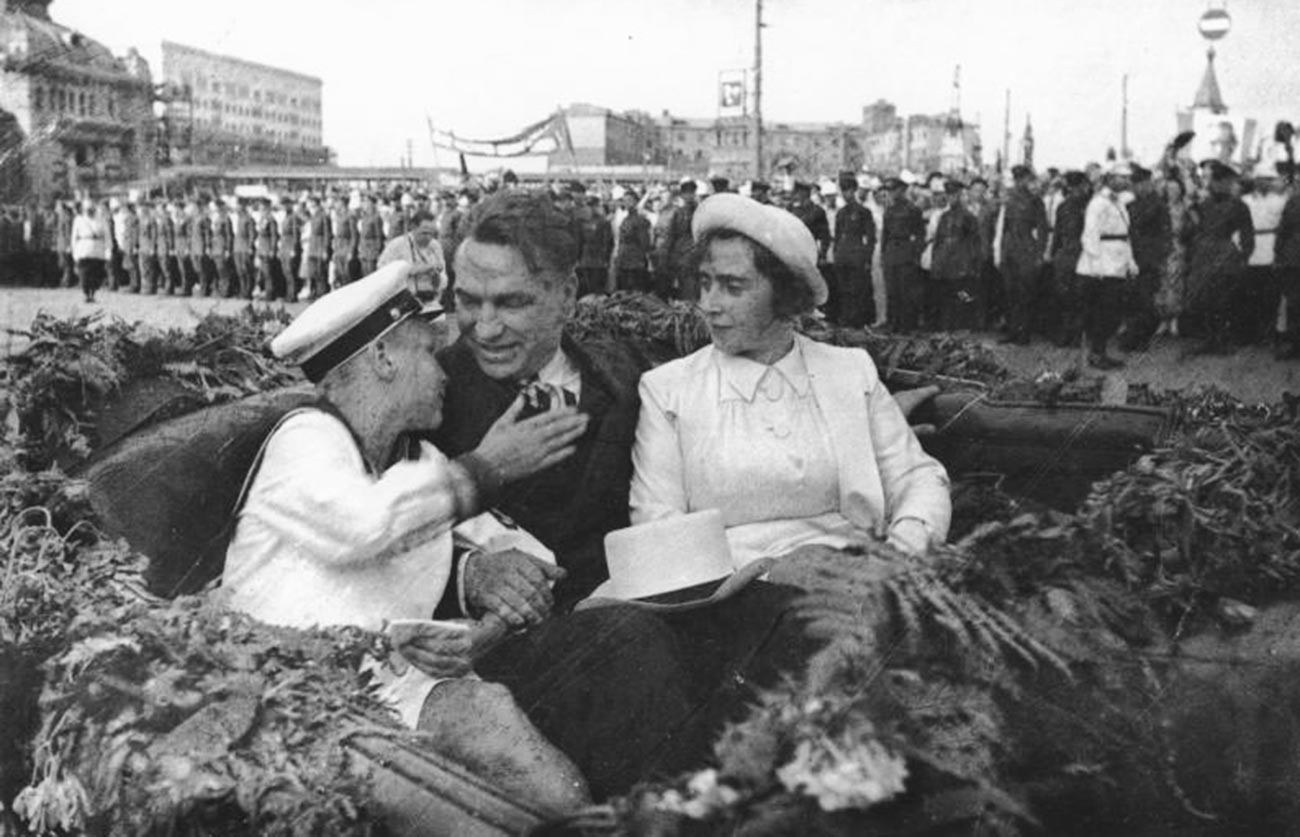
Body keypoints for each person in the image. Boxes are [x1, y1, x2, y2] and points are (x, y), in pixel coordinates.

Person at [222, 262, 598, 809]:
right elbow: (363, 525)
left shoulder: (419, 458)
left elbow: (531, 558)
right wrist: (487, 468)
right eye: (427, 351)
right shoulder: (304, 439)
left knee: (523, 756)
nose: (444, 371)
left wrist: (485, 628)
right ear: (381, 358)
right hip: (289, 699)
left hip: (389, 691)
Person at [630, 193, 950, 568]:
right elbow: (656, 523)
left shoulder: (848, 371)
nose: (709, 304)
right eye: (705, 283)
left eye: (733, 287)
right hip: (723, 592)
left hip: (848, 582)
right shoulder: (669, 389)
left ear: (785, 295)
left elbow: (917, 477)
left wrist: (900, 553)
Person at [1186, 162, 1254, 354]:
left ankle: (1222, 340)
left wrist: (1244, 256)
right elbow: (1195, 229)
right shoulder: (1203, 205)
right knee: (1204, 298)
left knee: (1224, 298)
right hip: (1203, 255)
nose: (1213, 185)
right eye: (1212, 181)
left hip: (1225, 254)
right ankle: (1209, 339)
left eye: (1218, 181)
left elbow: (1247, 234)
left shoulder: (1239, 206)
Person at [1076, 165, 1139, 369]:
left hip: (1117, 262)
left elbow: (1124, 235)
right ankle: (1096, 353)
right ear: (1110, 179)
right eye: (1122, 177)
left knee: (1112, 310)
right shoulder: (1098, 203)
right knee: (1102, 311)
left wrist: (1130, 261)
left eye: (1127, 178)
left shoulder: (1119, 202)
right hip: (1102, 264)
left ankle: (1101, 351)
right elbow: (1090, 234)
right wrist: (1096, 265)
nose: (1126, 181)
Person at [996, 165, 1050, 344]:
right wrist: (1000, 252)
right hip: (1010, 249)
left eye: (1024, 179)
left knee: (1025, 293)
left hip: (1027, 249)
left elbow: (1043, 229)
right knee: (1009, 292)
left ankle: (1023, 333)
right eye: (1017, 179)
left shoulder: (1035, 201)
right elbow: (1003, 228)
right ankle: (1012, 331)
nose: (1020, 182)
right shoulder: (1008, 200)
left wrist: (1040, 253)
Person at [1121, 165, 1171, 351]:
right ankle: (1135, 336)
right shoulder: (1130, 205)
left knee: (1145, 299)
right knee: (1133, 298)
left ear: (1146, 184)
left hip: (1149, 258)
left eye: (1137, 184)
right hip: (1132, 256)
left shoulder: (1158, 205)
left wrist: (1160, 257)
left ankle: (1139, 337)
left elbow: (1166, 234)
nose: (1134, 189)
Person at [931, 180, 984, 331]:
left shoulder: (968, 217)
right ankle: (947, 327)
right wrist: (936, 262)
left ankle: (963, 327)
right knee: (946, 295)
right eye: (948, 195)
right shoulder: (944, 217)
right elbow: (938, 241)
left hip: (961, 262)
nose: (951, 198)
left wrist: (973, 264)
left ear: (961, 195)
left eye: (954, 195)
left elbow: (974, 243)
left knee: (962, 295)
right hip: (945, 262)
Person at [1051, 171, 1092, 347]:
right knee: (1068, 296)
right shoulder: (1066, 206)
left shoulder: (1088, 206)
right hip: (1069, 255)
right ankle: (1069, 334)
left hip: (1079, 254)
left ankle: (1074, 335)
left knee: (1077, 297)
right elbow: (1058, 232)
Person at [830, 174, 877, 328]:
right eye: (843, 191)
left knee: (857, 289)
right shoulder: (841, 213)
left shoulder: (864, 212)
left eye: (849, 190)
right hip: (843, 255)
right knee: (843, 290)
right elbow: (837, 237)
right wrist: (836, 254)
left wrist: (867, 257)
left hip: (857, 254)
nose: (846, 195)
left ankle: (857, 321)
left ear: (855, 191)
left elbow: (870, 238)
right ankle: (846, 319)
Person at [880, 177, 926, 331]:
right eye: (890, 190)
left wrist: (916, 254)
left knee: (906, 290)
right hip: (892, 251)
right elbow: (885, 235)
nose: (892, 193)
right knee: (892, 290)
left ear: (903, 190)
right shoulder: (889, 210)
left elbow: (920, 234)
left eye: (895, 190)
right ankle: (893, 322)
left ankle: (907, 324)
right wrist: (883, 255)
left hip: (906, 251)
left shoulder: (912, 210)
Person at [377, 208, 446, 301]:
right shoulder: (397, 245)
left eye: (432, 234)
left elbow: (443, 277)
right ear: (413, 227)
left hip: (431, 299)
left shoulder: (435, 246)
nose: (428, 238)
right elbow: (382, 272)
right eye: (424, 233)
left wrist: (438, 275)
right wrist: (413, 270)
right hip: (404, 302)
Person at [657, 179, 699, 300]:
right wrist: (665, 256)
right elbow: (671, 235)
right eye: (686, 193)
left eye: (691, 193)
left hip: (694, 257)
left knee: (691, 293)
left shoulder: (700, 211)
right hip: (679, 258)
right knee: (680, 293)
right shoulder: (678, 213)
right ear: (682, 195)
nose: (689, 196)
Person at [1275, 164, 1300, 358]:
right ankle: (1294, 343)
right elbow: (1283, 231)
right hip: (1293, 258)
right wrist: (1279, 255)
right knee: (1294, 302)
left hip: (1292, 255)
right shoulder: (1293, 202)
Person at [613, 188, 653, 293]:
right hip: (624, 261)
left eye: (630, 200)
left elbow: (645, 244)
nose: (627, 203)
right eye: (625, 200)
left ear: (636, 202)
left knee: (636, 293)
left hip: (635, 264)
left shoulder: (640, 220)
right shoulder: (625, 219)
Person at [71, 200, 111, 303]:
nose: (89, 212)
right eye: (87, 210)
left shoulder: (102, 220)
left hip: (98, 251)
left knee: (96, 274)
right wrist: (74, 252)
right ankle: (86, 294)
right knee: (84, 274)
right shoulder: (79, 220)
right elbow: (74, 237)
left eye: (91, 210)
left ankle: (92, 293)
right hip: (84, 250)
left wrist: (108, 251)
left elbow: (107, 236)